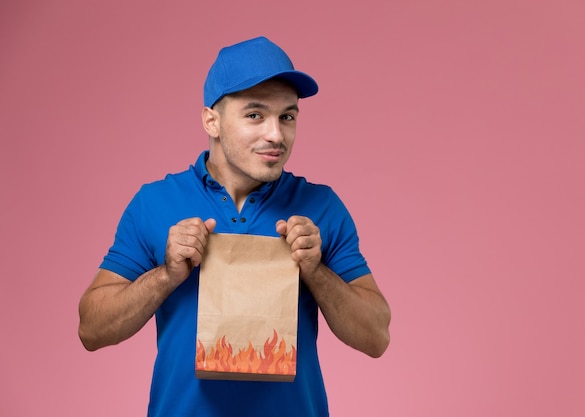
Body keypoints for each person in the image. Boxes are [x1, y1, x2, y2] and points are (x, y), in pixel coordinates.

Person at [78, 36, 391, 417]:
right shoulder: (154, 202)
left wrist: (316, 271)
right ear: (211, 120)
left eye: (287, 117)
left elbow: (376, 336)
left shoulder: (321, 206)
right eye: (255, 115)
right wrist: (166, 275)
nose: (276, 134)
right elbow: (91, 329)